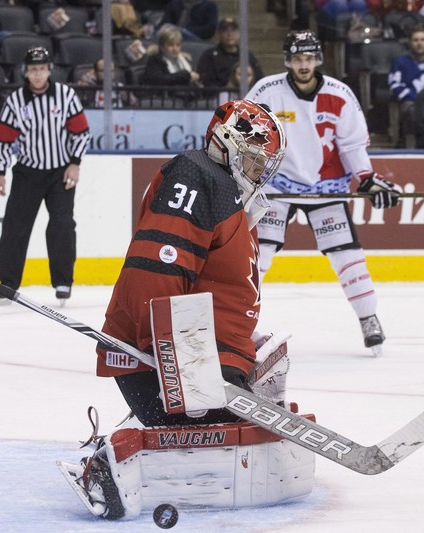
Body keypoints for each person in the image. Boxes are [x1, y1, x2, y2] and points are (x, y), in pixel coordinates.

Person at [60, 100, 298, 519]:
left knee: (270, 365)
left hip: (210, 357)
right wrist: (173, 364)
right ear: (228, 143)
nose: (263, 170)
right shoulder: (197, 176)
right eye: (257, 158)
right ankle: (113, 461)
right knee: (221, 432)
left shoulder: (225, 190)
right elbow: (153, 270)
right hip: (178, 361)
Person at [246, 30, 402, 355]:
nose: (304, 65)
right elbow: (247, 134)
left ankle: (368, 318)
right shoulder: (267, 91)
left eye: (309, 58)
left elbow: (353, 144)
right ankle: (241, 323)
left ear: (318, 59)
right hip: (278, 185)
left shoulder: (339, 94)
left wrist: (367, 179)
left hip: (326, 186)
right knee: (257, 258)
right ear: (288, 60)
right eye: (298, 58)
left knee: (348, 257)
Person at [0, 46, 90, 305]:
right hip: (27, 172)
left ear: (49, 70)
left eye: (42, 69)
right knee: (15, 227)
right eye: (33, 70)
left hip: (61, 172)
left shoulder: (66, 95)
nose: (37, 74)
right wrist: (1, 171)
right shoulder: (15, 101)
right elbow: (2, 140)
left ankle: (62, 281)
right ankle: (7, 283)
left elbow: (81, 133)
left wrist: (75, 163)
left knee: (62, 225)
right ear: (26, 72)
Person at [388, 26, 424, 146]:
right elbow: (394, 86)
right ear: (410, 43)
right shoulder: (400, 62)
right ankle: (411, 145)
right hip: (410, 102)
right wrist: (418, 99)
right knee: (413, 111)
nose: (419, 43)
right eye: (416, 40)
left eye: (423, 40)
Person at [197, 16, 264, 89]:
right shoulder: (209, 55)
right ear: (219, 34)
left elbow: (259, 78)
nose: (230, 34)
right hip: (218, 97)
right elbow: (205, 81)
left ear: (239, 33)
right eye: (225, 30)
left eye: (233, 30)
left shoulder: (247, 55)